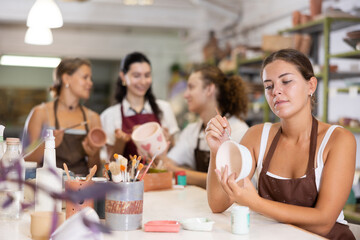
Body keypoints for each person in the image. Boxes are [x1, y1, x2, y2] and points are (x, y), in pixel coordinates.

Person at [205, 49, 356, 239]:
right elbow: (218, 204)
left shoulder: (338, 140)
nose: (275, 91)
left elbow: (324, 223)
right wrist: (217, 151)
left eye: (286, 81)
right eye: (268, 86)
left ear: (311, 85)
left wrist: (255, 203)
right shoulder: (257, 136)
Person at [160, 65, 249, 189]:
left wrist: (180, 171)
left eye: (191, 87)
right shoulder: (192, 131)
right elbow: (166, 165)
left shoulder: (238, 130)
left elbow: (229, 182)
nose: (185, 95)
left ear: (209, 89)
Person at [23, 58, 102, 176]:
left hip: (81, 188)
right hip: (48, 185)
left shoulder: (93, 118)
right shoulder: (40, 113)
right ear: (66, 78)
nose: (90, 83)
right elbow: (26, 161)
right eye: (85, 77)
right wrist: (47, 144)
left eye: (90, 78)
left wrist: (93, 154)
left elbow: (95, 168)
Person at [100, 52, 179, 161]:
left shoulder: (164, 109)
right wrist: (120, 142)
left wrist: (168, 140)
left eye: (147, 75)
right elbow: (111, 164)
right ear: (123, 76)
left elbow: (176, 155)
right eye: (136, 76)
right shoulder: (110, 115)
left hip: (159, 176)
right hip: (128, 178)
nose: (143, 81)